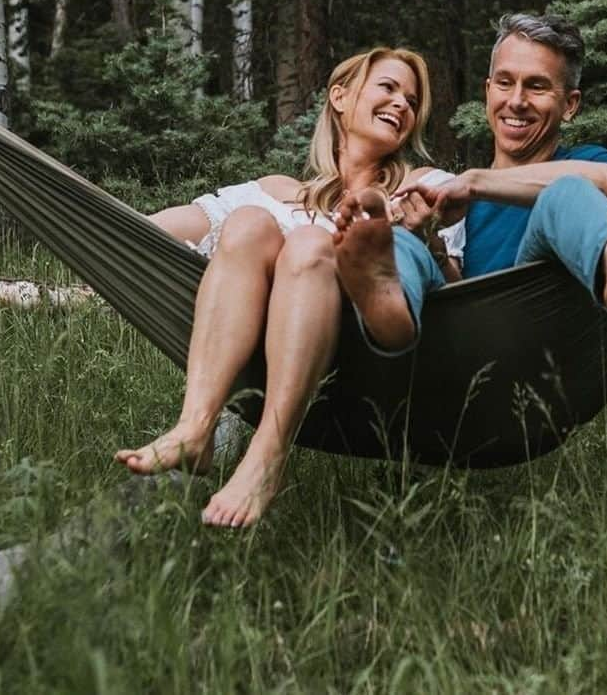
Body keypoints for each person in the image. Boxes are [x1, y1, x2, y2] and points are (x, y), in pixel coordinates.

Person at [115, 47, 448, 529]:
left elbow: (456, 281)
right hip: (257, 338)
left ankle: (268, 454)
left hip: (357, 353)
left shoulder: (416, 189)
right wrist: (82, 218)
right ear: (340, 96)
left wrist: (425, 233)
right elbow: (159, 229)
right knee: (248, 222)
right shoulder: (273, 191)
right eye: (389, 88)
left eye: (412, 101)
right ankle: (196, 425)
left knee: (311, 240)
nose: (402, 104)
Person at [331, 14, 607, 346]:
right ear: (488, 91)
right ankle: (391, 303)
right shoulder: (458, 201)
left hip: (539, 325)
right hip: (465, 344)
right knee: (403, 242)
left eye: (537, 86)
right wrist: (429, 240)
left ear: (570, 104)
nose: (517, 101)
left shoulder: (583, 163)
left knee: (564, 192)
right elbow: (459, 294)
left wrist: (476, 181)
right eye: (505, 83)